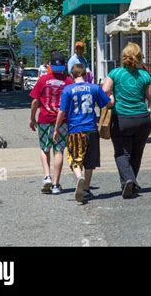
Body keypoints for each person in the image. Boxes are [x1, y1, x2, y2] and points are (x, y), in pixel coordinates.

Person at [102, 43, 151, 198]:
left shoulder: (115, 73)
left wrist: (111, 98)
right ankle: (129, 183)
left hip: (121, 118)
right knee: (136, 153)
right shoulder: (145, 76)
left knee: (121, 153)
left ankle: (129, 180)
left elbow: (104, 90)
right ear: (139, 57)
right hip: (142, 119)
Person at [55, 63, 111, 204]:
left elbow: (62, 111)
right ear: (86, 75)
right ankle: (86, 189)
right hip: (91, 128)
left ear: (71, 75)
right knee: (90, 161)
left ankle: (79, 177)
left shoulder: (68, 90)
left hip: (75, 129)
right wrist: (112, 96)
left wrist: (56, 128)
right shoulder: (94, 88)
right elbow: (106, 103)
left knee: (73, 157)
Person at [29, 51, 72, 195]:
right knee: (58, 150)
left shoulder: (43, 80)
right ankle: (55, 184)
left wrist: (32, 118)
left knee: (44, 148)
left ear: (50, 65)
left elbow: (35, 101)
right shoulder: (68, 81)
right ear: (64, 65)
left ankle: (47, 176)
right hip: (62, 121)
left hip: (44, 119)